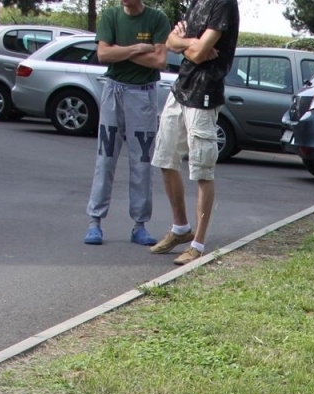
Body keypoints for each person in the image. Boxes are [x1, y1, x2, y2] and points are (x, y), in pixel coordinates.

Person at [148, 0, 240, 265]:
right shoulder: (196, 2)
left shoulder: (223, 4)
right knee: (165, 159)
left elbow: (199, 54)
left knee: (202, 171)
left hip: (204, 96)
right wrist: (190, 43)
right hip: (179, 91)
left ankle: (197, 245)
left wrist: (186, 45)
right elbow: (171, 41)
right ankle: (180, 229)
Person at [84, 0, 171, 246]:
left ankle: (140, 225)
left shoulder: (157, 19)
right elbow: (103, 54)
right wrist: (137, 48)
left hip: (143, 94)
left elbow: (159, 61)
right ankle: (94, 222)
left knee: (142, 161)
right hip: (113, 91)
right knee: (105, 157)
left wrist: (119, 51)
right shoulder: (111, 16)